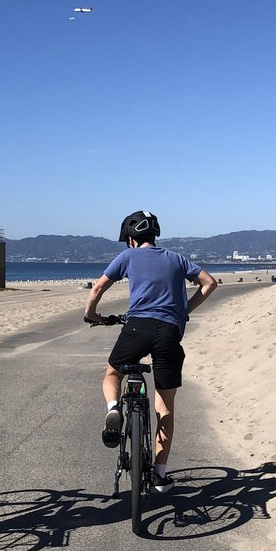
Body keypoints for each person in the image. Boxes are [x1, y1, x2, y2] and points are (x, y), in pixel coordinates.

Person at [83, 210, 217, 491]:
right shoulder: (177, 258)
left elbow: (97, 289)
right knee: (165, 406)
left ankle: (114, 409)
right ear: (154, 236)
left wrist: (91, 315)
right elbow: (209, 283)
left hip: (137, 328)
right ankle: (159, 473)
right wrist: (184, 310)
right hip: (169, 333)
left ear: (131, 239)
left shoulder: (129, 257)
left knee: (112, 374)